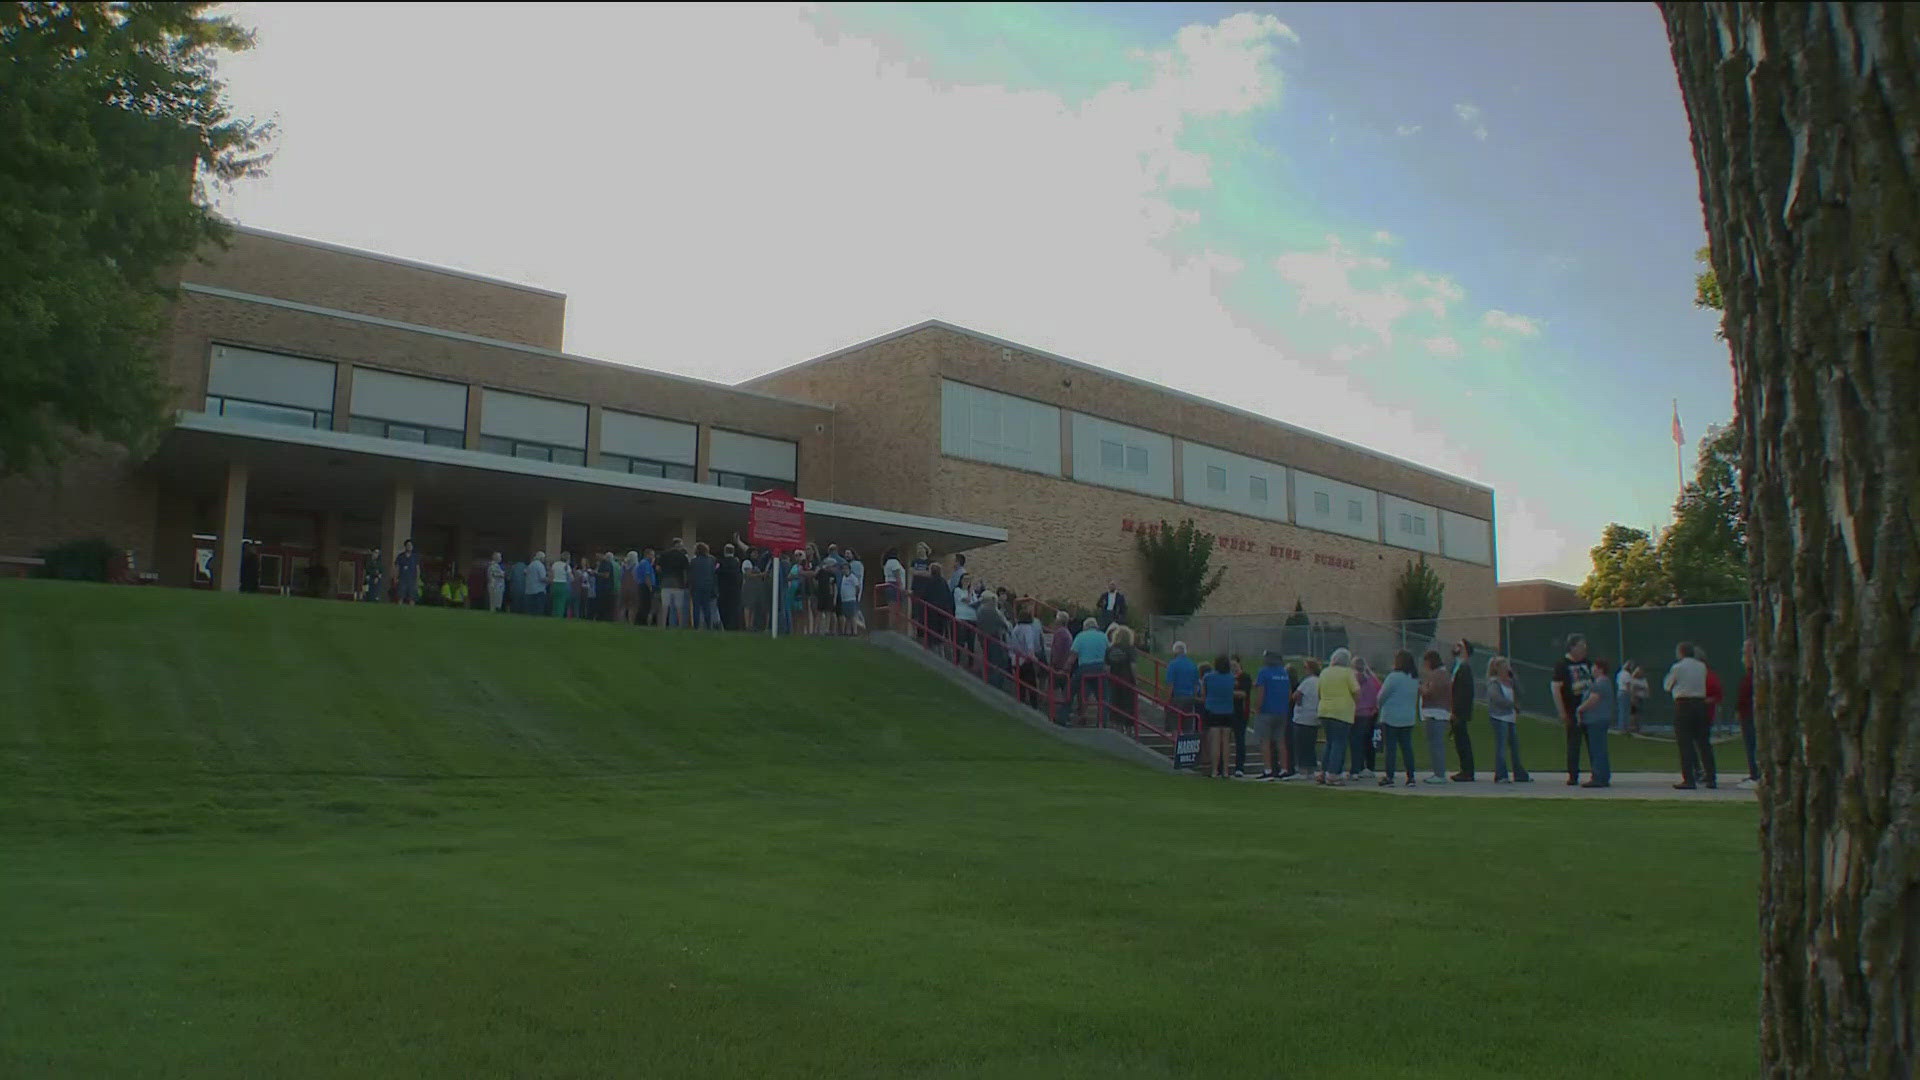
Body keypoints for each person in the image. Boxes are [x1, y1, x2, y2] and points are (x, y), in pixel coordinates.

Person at [1663, 641, 1718, 789]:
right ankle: (1711, 777)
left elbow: (1668, 685)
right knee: (1704, 742)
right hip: (1700, 704)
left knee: (1685, 742)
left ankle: (1689, 778)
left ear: (1681, 652)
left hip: (1683, 704)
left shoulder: (1677, 667)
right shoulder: (1702, 667)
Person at [1552, 634, 1594, 784]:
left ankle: (1596, 773)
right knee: (1574, 743)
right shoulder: (1562, 665)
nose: (1584, 649)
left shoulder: (1588, 663)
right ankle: (1573, 775)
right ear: (1572, 647)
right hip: (1572, 709)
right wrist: (1562, 711)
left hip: (1588, 709)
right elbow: (1556, 688)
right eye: (1581, 646)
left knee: (1593, 743)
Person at [1377, 650, 1420, 786]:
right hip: (1408, 717)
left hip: (1391, 717)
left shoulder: (1393, 677)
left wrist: (1378, 706)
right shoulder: (1413, 678)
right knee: (1407, 747)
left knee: (1391, 748)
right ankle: (1411, 776)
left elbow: (1382, 696)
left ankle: (1389, 777)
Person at [1316, 649, 1359, 786]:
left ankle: (1323, 772)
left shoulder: (1324, 672)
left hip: (1324, 710)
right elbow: (1356, 691)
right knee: (1339, 743)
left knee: (1329, 742)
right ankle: (1333, 774)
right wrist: (1354, 703)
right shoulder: (1348, 673)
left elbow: (1319, 692)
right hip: (1342, 712)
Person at [1486, 656, 1530, 783]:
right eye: (1504, 667)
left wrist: (1514, 678)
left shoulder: (1510, 681)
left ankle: (1519, 773)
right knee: (1501, 747)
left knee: (1515, 746)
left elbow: (1521, 692)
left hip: (1510, 718)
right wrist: (1512, 705)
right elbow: (1496, 699)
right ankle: (1501, 774)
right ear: (1498, 668)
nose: (1507, 669)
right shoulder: (1494, 683)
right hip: (1499, 717)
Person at [1576, 658, 1617, 787]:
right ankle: (1603, 776)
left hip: (1596, 720)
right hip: (1600, 719)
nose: (1592, 670)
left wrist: (1580, 708)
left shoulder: (1600, 683)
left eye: (1594, 667)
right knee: (1600, 748)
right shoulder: (1604, 683)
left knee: (1597, 749)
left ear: (1600, 669)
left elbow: (1593, 699)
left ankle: (1598, 776)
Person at [1251, 651, 1292, 780]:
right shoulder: (1284, 672)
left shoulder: (1264, 672)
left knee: (1265, 741)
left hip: (1266, 711)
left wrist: (1257, 708)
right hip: (1282, 711)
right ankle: (1284, 769)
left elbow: (1261, 692)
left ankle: (1268, 770)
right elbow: (1289, 693)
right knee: (1281, 741)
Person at [1064, 617, 1109, 725]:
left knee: (1070, 691)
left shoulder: (1080, 636)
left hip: (1084, 668)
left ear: (1085, 627)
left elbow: (1073, 655)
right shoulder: (1103, 636)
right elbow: (1108, 652)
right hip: (1100, 668)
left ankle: (1063, 716)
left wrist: (1066, 667)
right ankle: (1102, 722)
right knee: (1103, 697)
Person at [1199, 655, 1237, 780]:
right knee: (1226, 742)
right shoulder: (1231, 677)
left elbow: (1204, 695)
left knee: (1214, 741)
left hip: (1213, 710)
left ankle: (1215, 770)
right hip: (1228, 711)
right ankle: (1225, 770)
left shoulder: (1208, 677)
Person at [1418, 650, 1452, 784]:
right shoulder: (1442, 674)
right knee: (1435, 744)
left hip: (1435, 713)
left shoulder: (1438, 675)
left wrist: (1420, 688)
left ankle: (1439, 773)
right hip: (1438, 712)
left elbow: (1431, 692)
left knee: (1436, 744)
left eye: (1426, 662)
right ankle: (1438, 772)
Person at [1448, 639, 1478, 782]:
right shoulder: (1457, 666)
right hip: (1457, 711)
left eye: (1459, 645)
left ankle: (1467, 771)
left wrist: (1456, 711)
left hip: (1460, 712)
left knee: (1462, 741)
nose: (1456, 647)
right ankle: (1465, 769)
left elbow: (1464, 693)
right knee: (1460, 741)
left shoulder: (1464, 668)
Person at [1348, 656, 1381, 781]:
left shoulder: (1351, 678)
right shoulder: (1373, 679)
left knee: (1355, 742)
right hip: (1369, 714)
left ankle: (1357, 767)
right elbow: (1379, 693)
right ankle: (1370, 767)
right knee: (1367, 741)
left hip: (1355, 713)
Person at [1289, 659, 1321, 781]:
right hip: (1315, 717)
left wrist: (1298, 703)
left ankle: (1302, 770)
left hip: (1302, 717)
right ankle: (1311, 770)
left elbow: (1296, 695)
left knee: (1300, 745)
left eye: (1305, 667)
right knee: (1311, 745)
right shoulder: (1320, 681)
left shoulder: (1307, 682)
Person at [1104, 624, 1139, 731]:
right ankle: (1129, 729)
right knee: (1129, 704)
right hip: (1127, 680)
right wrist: (1136, 680)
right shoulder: (1130, 649)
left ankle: (1117, 727)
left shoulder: (1110, 649)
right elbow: (1133, 665)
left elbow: (1107, 667)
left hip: (1114, 679)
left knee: (1115, 703)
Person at [1010, 607, 1045, 708]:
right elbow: (1030, 645)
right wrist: (1034, 657)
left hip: (1016, 659)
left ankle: (1021, 704)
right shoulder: (1028, 629)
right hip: (1026, 660)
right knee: (1031, 684)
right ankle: (1034, 706)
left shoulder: (1016, 628)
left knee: (1020, 685)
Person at [1165, 641, 1200, 742]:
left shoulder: (1172, 665)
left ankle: (1176, 744)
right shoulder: (1192, 665)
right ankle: (1186, 746)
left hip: (1177, 697)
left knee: (1174, 723)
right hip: (1189, 698)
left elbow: (1170, 684)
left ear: (1175, 652)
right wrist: (1193, 696)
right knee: (1188, 725)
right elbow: (1196, 684)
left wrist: (1167, 701)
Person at [1737, 638, 1759, 788]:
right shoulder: (1750, 675)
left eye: (1745, 653)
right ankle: (1754, 772)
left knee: (1753, 743)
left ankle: (1757, 775)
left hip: (1752, 715)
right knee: (1750, 743)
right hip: (1747, 713)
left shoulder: (1756, 676)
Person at [656, 539, 690, 628]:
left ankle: (663, 625)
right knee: (679, 607)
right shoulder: (682, 556)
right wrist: (685, 583)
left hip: (665, 583)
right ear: (678, 545)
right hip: (678, 584)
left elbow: (658, 568)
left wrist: (663, 575)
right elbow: (686, 571)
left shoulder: (664, 555)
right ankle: (680, 625)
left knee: (665, 606)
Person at [1048, 612, 1076, 718]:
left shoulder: (1060, 633)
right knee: (1064, 690)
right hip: (1064, 666)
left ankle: (1055, 713)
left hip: (1059, 666)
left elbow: (1057, 650)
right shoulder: (1066, 632)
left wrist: (1053, 663)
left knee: (1054, 689)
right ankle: (1064, 712)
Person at [689, 542, 722, 630]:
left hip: (696, 586)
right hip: (708, 586)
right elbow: (714, 573)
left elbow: (691, 575)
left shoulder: (693, 561)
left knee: (696, 607)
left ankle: (696, 626)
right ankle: (708, 626)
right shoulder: (711, 560)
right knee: (706, 606)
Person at [1229, 655, 1252, 777]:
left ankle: (1239, 767)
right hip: (1227, 712)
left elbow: (1243, 694)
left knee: (1240, 739)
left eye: (1235, 665)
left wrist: (1227, 692)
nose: (1233, 668)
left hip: (1241, 713)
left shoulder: (1245, 677)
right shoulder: (1227, 677)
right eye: (1231, 665)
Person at [953, 573, 979, 663]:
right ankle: (957, 661)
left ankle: (971, 662)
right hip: (962, 618)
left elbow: (975, 602)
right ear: (961, 580)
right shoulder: (958, 590)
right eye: (965, 579)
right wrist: (970, 592)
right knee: (960, 641)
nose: (967, 582)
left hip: (972, 618)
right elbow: (966, 600)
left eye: (968, 580)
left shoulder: (972, 593)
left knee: (971, 643)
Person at [717, 543, 743, 631]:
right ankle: (733, 626)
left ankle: (725, 625)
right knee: (734, 609)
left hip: (723, 590)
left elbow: (716, 573)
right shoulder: (737, 563)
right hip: (735, 591)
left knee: (724, 609)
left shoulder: (720, 562)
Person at [393, 539, 419, 606]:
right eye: (408, 545)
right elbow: (397, 568)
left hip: (412, 580)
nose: (409, 546)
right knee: (400, 597)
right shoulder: (400, 556)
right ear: (405, 546)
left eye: (410, 545)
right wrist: (395, 578)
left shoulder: (415, 557)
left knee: (412, 598)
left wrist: (417, 580)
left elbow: (417, 569)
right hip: (402, 580)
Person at [636, 548, 657, 626]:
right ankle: (642, 621)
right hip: (645, 586)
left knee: (643, 604)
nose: (653, 557)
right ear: (648, 555)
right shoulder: (646, 563)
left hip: (642, 585)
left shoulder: (643, 563)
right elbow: (647, 576)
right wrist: (650, 586)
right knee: (646, 604)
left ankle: (639, 621)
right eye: (652, 555)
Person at [524, 549, 548, 616]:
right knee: (538, 611)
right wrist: (551, 580)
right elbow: (543, 578)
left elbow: (525, 573)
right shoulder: (540, 565)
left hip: (529, 590)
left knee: (530, 611)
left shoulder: (530, 565)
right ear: (541, 558)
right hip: (538, 591)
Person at [548, 552, 571, 618]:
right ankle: (559, 617)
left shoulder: (555, 564)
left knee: (555, 603)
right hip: (562, 584)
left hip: (555, 584)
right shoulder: (567, 566)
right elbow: (571, 577)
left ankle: (553, 616)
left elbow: (551, 575)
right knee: (561, 603)